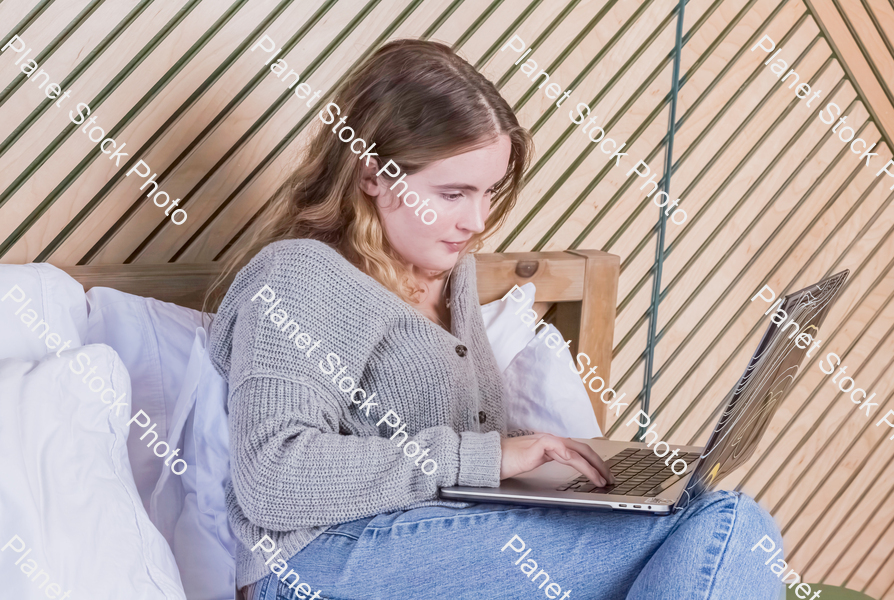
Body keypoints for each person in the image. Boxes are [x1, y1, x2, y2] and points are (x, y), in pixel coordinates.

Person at [207, 39, 783, 600]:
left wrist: (560, 474)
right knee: (724, 523)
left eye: (488, 192)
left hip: (432, 543)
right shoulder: (301, 273)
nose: (477, 220)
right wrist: (492, 457)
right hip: (316, 564)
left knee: (713, 515)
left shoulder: (453, 279)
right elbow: (272, 475)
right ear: (373, 175)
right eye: (453, 193)